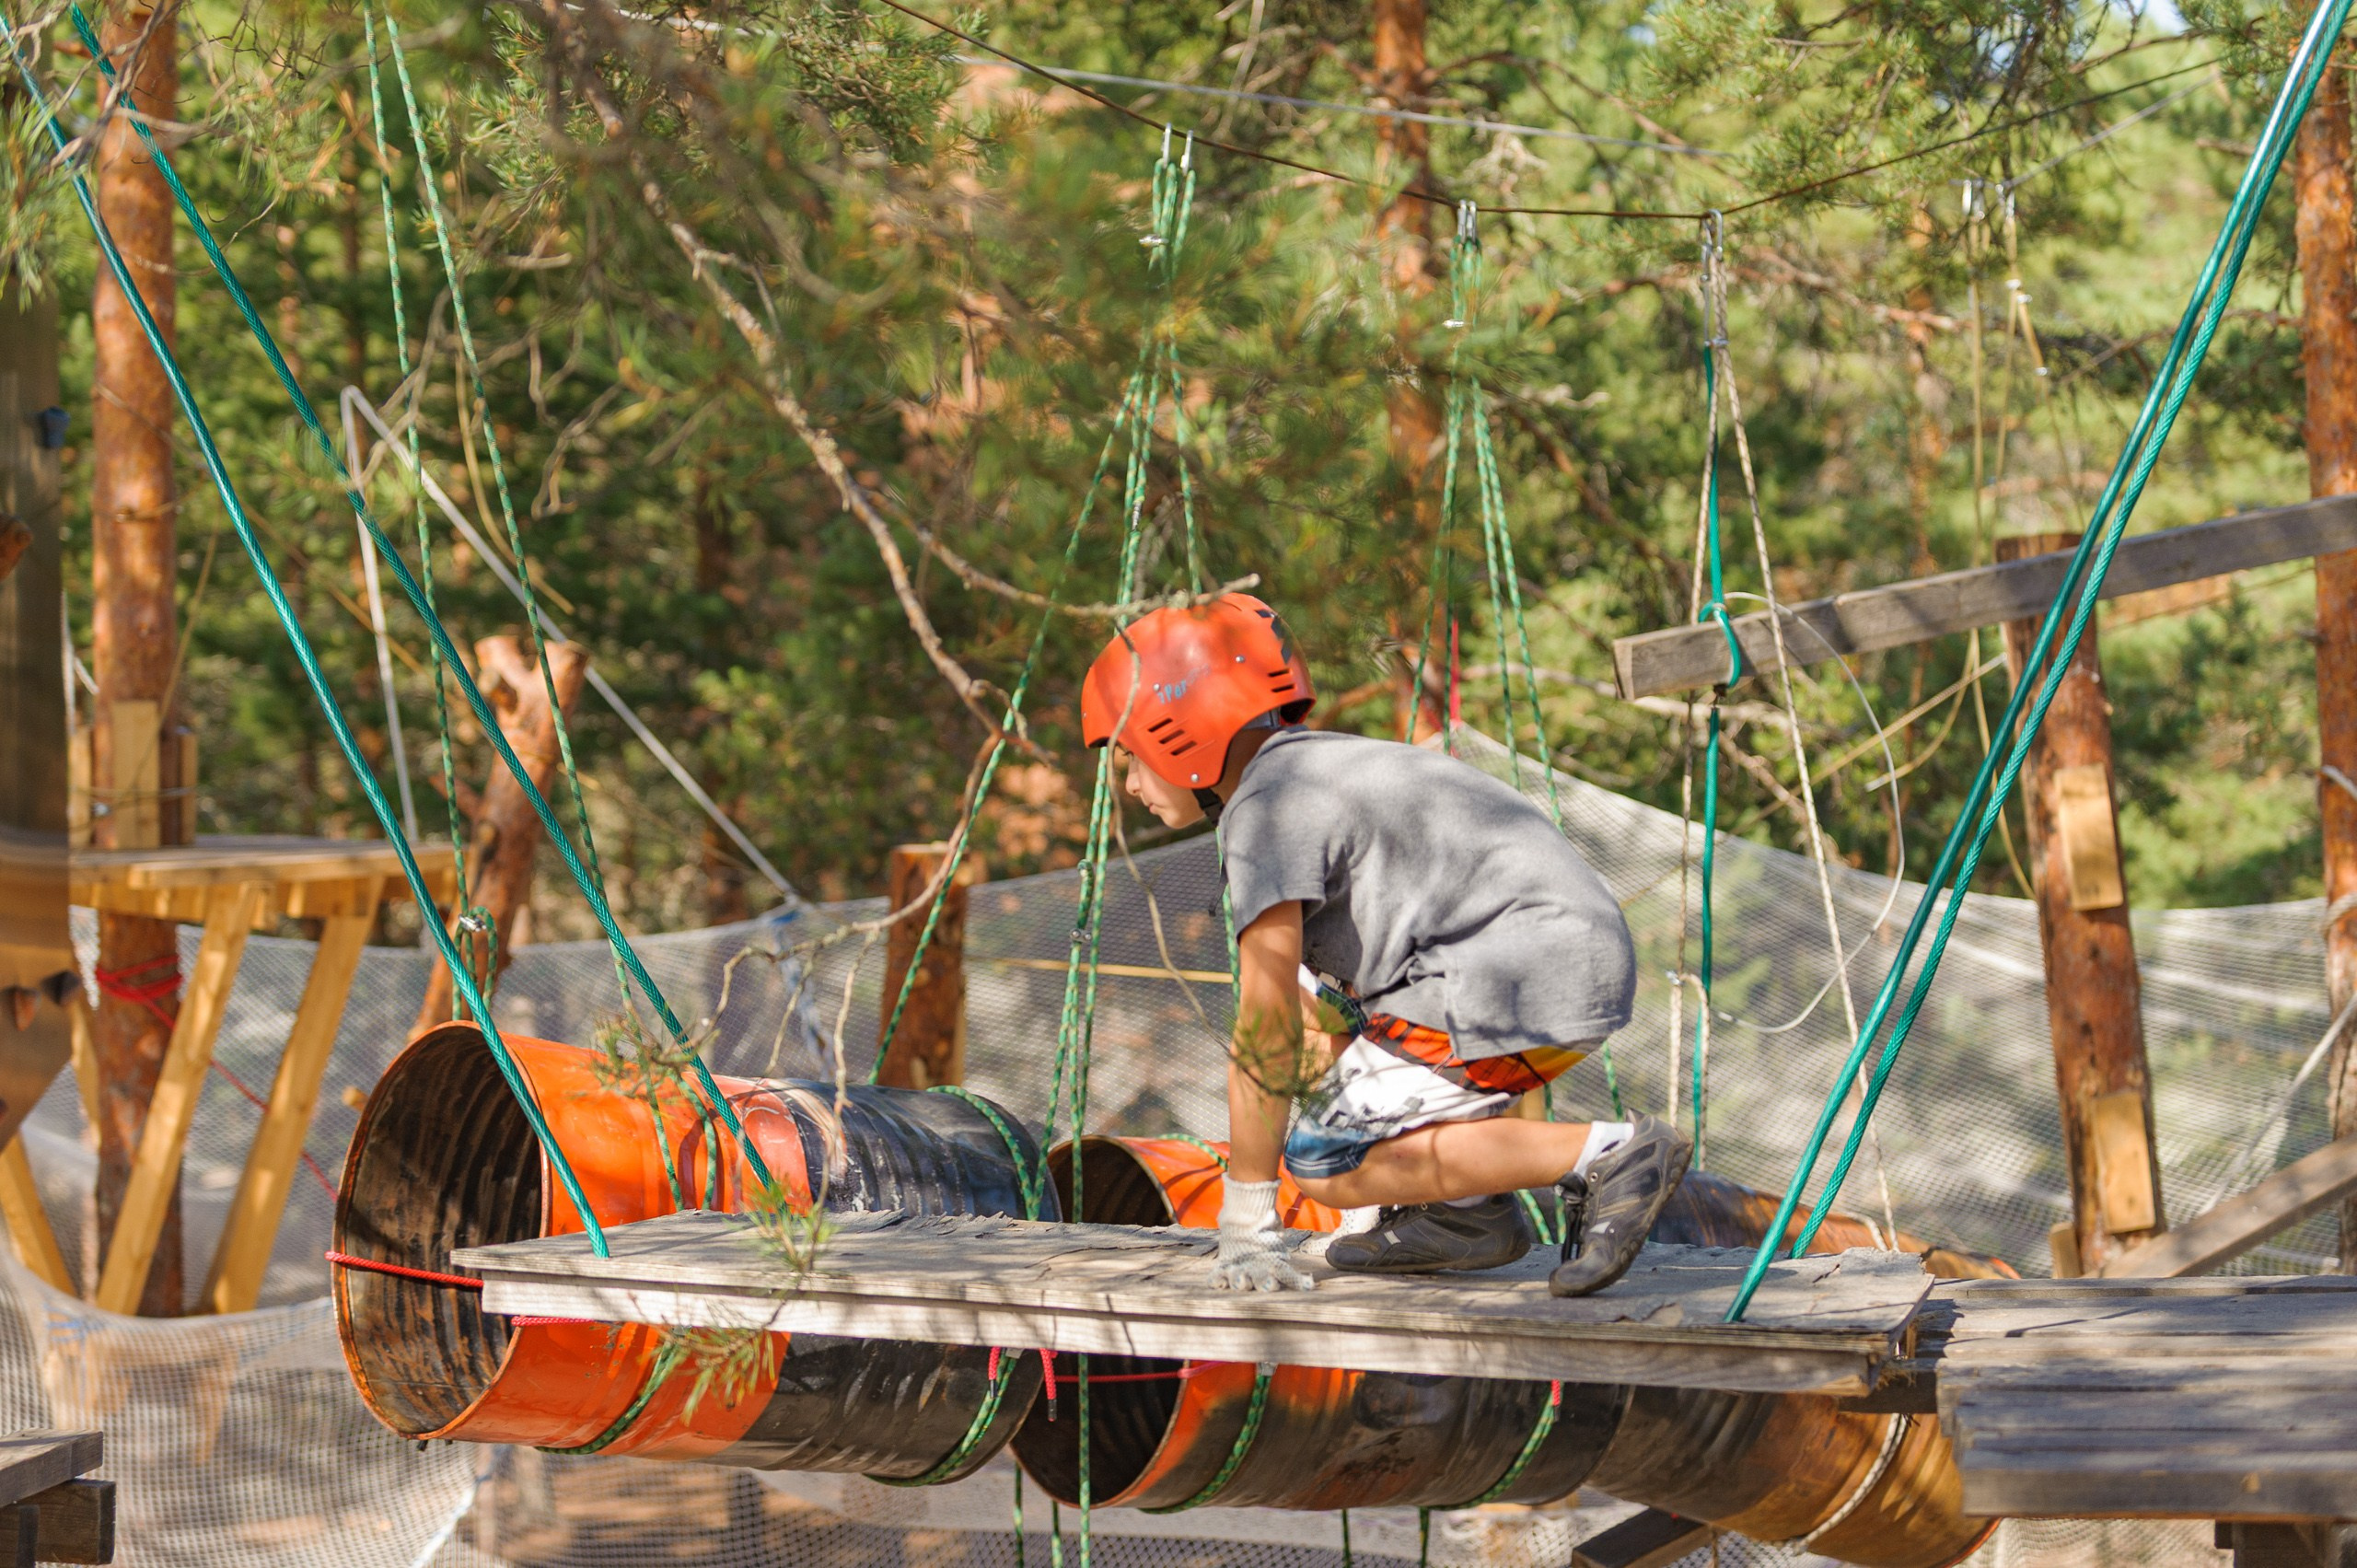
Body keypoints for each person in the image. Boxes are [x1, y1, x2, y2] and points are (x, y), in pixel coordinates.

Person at [1080, 592, 1691, 1297]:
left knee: (1325, 1155)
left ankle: (1613, 1152)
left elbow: (1265, 1024)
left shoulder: (1265, 810)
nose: (1128, 784)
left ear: (1174, 730)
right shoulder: (1315, 771)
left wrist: (1247, 1216)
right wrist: (1369, 1204)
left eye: (1129, 757)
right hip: (1555, 960)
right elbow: (1312, 1022)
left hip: (1516, 967)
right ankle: (1464, 1218)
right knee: (1330, 1042)